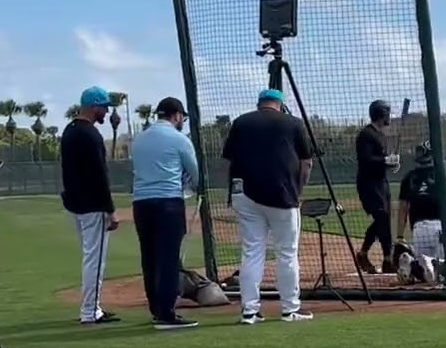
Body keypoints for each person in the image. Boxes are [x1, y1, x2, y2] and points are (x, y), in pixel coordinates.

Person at [220, 89, 315, 324]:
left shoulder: (241, 122)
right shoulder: (293, 123)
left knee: (252, 251)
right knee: (286, 253)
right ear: (280, 105)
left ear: (259, 104)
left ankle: (249, 311)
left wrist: (232, 191)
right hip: (282, 194)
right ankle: (290, 309)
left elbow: (228, 162)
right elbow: (306, 163)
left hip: (245, 194)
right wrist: (298, 190)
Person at [130, 96, 200, 330]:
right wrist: (193, 187)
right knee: (169, 259)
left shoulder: (139, 139)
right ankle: (167, 313)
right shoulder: (179, 139)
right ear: (177, 116)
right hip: (168, 202)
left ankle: (156, 309)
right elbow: (195, 173)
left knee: (149, 257)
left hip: (141, 203)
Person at [60, 86, 120, 325]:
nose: (106, 112)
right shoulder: (90, 135)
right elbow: (99, 176)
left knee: (90, 257)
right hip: (92, 205)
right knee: (95, 260)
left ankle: (92, 307)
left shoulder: (70, 130)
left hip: (75, 203)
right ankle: (90, 311)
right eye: (104, 107)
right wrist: (110, 209)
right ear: (94, 106)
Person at [394, 142, 446, 286]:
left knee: (426, 271)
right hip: (440, 229)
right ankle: (430, 263)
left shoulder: (409, 178)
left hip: (418, 231)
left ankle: (411, 266)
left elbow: (402, 210)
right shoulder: (442, 175)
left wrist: (400, 237)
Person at [353, 99, 401, 274]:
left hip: (381, 183)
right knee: (382, 217)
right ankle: (386, 259)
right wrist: (385, 160)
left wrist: (391, 164)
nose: (390, 117)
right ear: (382, 114)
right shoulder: (366, 135)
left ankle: (365, 254)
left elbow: (379, 161)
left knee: (384, 219)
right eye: (388, 113)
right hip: (369, 184)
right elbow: (366, 160)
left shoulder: (380, 135)